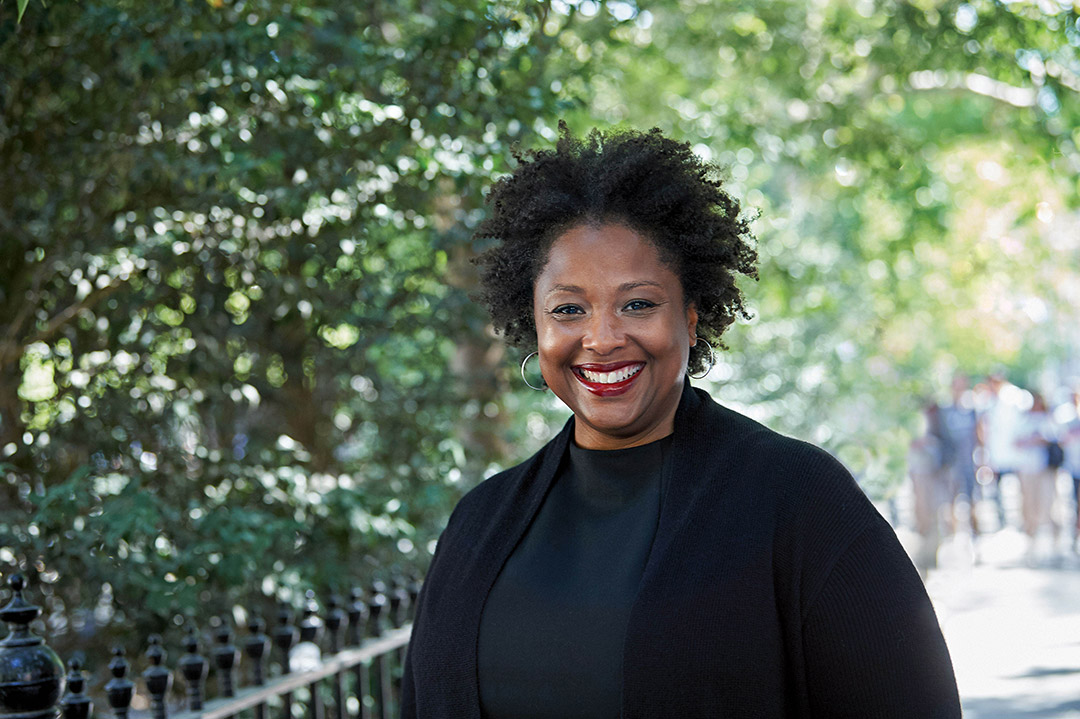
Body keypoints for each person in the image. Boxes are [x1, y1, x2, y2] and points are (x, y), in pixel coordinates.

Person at [402, 125, 960, 717]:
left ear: (691, 321)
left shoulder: (798, 501)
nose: (602, 338)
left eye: (637, 303)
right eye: (568, 310)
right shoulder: (478, 523)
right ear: (535, 329)